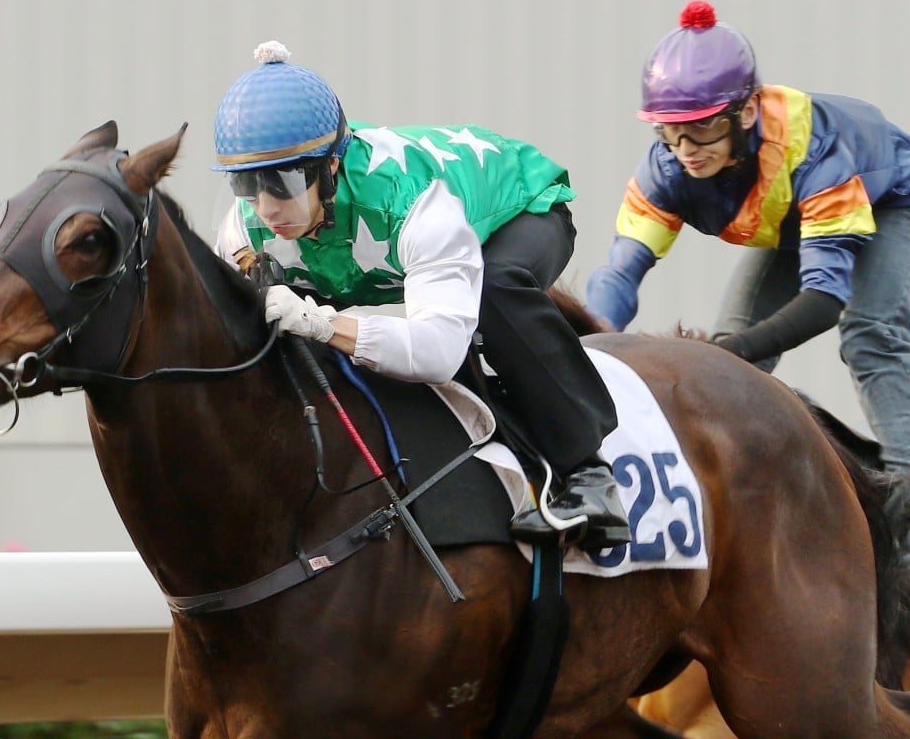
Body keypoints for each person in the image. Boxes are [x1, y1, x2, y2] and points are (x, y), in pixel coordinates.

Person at [584, 0, 910, 597]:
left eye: (704, 125)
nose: (686, 147)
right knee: (733, 367)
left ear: (744, 112)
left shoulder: (812, 151)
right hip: (794, 219)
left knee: (871, 335)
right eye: (670, 128)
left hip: (886, 197)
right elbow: (621, 271)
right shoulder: (666, 167)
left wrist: (726, 351)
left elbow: (823, 300)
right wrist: (590, 339)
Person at [212, 41, 629, 550]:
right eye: (246, 184)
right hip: (372, 241)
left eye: (283, 181)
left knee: (492, 294)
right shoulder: (244, 229)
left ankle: (590, 476)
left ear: (331, 167)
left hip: (517, 208)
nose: (266, 206)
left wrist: (323, 325)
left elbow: (437, 352)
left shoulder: (411, 204)